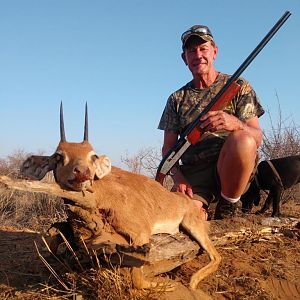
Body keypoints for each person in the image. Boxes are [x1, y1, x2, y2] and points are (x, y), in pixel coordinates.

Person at [158, 25, 264, 220]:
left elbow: (257, 137)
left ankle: (228, 205)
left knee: (244, 140)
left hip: (230, 164)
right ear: (185, 59)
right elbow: (168, 148)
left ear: (214, 52)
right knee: (185, 219)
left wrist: (236, 124)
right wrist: (178, 178)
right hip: (195, 174)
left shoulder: (239, 86)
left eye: (203, 48)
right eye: (191, 51)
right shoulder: (176, 99)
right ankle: (201, 209)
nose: (198, 55)